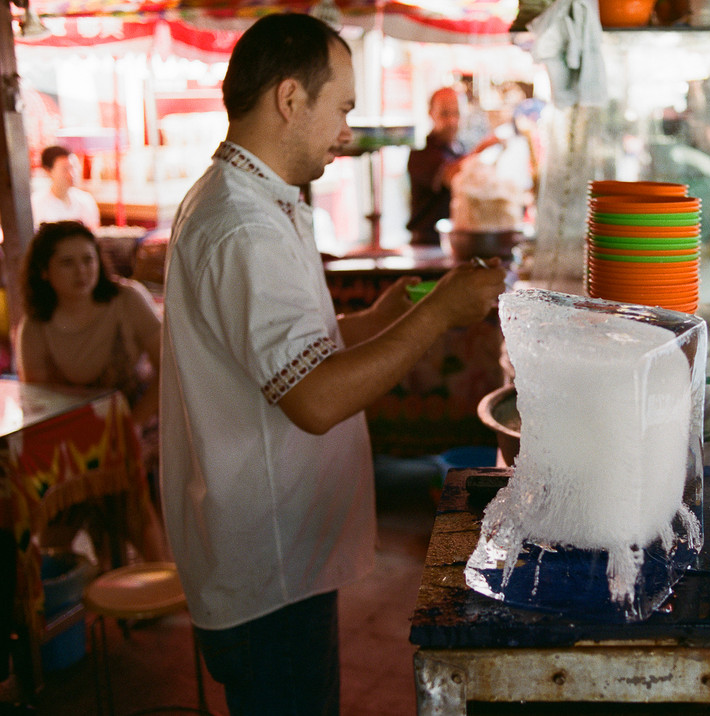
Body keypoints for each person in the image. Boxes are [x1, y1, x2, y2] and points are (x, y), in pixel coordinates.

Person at [159, 14, 505, 715]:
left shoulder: (259, 199)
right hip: (267, 567)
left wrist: (385, 318)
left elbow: (284, 355)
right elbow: (313, 400)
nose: (346, 132)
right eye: (341, 107)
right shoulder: (240, 226)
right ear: (291, 99)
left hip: (280, 552)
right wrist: (437, 314)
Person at [15, 220, 168, 566]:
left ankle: (157, 583)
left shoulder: (127, 299)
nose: (82, 271)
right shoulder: (35, 327)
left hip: (143, 415)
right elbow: (40, 405)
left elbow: (169, 370)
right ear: (43, 271)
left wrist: (134, 421)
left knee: (123, 486)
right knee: (42, 495)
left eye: (88, 259)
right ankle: (85, 583)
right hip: (74, 435)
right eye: (66, 263)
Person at [406, 86, 499, 246]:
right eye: (444, 114)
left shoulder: (460, 149)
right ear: (431, 113)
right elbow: (452, 176)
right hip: (428, 244)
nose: (452, 121)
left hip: (457, 243)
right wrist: (480, 151)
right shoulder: (421, 152)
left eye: (456, 113)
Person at [31, 145, 101, 232]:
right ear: (48, 171)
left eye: (73, 167)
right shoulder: (35, 204)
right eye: (65, 169)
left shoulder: (86, 200)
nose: (71, 174)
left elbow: (94, 235)